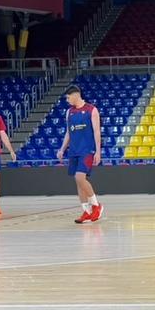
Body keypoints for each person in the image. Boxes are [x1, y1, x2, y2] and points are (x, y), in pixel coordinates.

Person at [57, 85, 103, 224]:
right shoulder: (69, 112)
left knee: (80, 177)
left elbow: (97, 132)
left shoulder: (91, 110)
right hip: (74, 151)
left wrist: (98, 151)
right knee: (78, 181)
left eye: (68, 97)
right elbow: (68, 133)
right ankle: (86, 211)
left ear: (76, 95)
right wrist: (62, 149)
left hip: (87, 150)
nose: (67, 99)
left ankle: (96, 206)